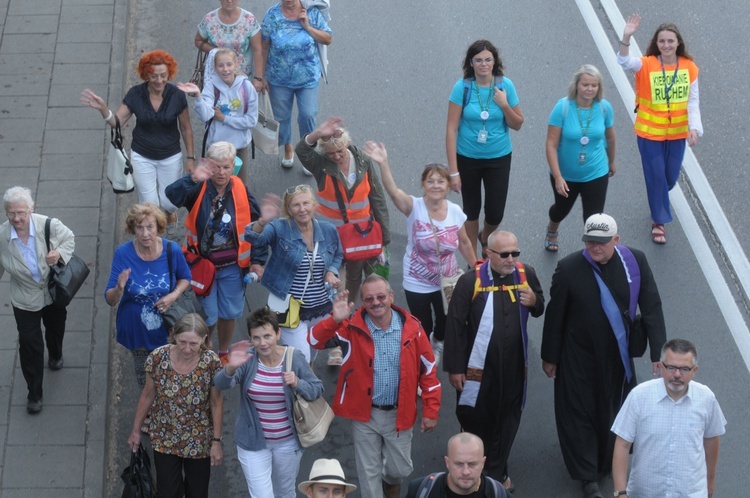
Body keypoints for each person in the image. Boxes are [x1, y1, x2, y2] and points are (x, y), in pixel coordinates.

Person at [541, 213, 667, 498]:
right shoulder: (569, 268)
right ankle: (587, 477)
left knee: (615, 410)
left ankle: (608, 460)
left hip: (617, 356)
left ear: (616, 240)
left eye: (601, 242)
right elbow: (555, 315)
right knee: (579, 412)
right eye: (590, 242)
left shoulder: (635, 261)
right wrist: (550, 356)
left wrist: (658, 351)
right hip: (578, 356)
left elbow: (651, 305)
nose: (595, 248)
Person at [309, 274, 442, 498]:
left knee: (398, 470)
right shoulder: (349, 327)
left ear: (391, 296)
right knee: (368, 474)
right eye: (369, 298)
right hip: (365, 416)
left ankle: (389, 481)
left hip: (400, 414)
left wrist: (431, 410)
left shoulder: (413, 329)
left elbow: (428, 371)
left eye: (381, 296)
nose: (375, 302)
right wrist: (334, 320)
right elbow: (314, 341)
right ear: (362, 301)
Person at [443, 230, 544, 492]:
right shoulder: (469, 282)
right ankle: (474, 466)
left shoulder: (526, 274)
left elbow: (540, 304)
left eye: (515, 253)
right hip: (478, 370)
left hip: (513, 367)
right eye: (505, 254)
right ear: (488, 254)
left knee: (508, 417)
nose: (511, 259)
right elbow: (454, 326)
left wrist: (534, 300)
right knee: (477, 416)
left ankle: (497, 470)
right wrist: (455, 368)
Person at [363, 143, 475, 366]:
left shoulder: (455, 212)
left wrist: (477, 267)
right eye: (430, 181)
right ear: (423, 184)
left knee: (445, 322)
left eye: (440, 181)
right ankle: (425, 358)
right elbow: (393, 191)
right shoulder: (413, 206)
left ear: (448, 186)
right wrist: (383, 164)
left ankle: (437, 342)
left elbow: (463, 242)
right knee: (424, 324)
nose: (435, 185)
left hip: (448, 280)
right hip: (418, 280)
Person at [297, 118, 391, 365]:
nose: (337, 156)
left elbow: (378, 199)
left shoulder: (364, 162)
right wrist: (317, 133)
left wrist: (384, 239)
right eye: (331, 153)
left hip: (362, 238)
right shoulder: (321, 164)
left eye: (340, 151)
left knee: (358, 283)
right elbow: (302, 150)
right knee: (335, 288)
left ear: (348, 145)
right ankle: (336, 344)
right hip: (332, 240)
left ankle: (358, 329)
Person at [166, 141, 265, 366]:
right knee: (207, 314)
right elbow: (171, 195)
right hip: (203, 268)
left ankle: (222, 351)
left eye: (226, 167)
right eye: (217, 167)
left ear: (233, 167)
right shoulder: (198, 187)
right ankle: (206, 346)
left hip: (233, 267)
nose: (221, 172)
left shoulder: (240, 188)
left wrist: (257, 261)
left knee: (229, 312)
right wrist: (192, 177)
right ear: (209, 166)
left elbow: (256, 227)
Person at [214, 307, 324, 498]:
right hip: (252, 443)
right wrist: (230, 367)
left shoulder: (293, 357)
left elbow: (317, 388)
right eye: (256, 338)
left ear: (278, 334)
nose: (262, 343)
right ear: (250, 337)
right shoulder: (247, 359)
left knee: (285, 492)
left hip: (288, 443)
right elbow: (221, 384)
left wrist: (298, 383)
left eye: (267, 336)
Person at [81, 50, 194, 233]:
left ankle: (170, 212)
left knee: (170, 202)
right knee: (150, 205)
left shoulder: (177, 96)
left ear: (169, 74)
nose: (159, 80)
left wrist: (191, 158)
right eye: (154, 76)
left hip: (170, 155)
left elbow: (186, 128)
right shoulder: (136, 94)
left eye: (163, 76)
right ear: (146, 75)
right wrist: (103, 109)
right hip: (142, 156)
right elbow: (116, 122)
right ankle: (155, 238)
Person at [618, 14, 702, 244]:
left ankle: (658, 197)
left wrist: (694, 128)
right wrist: (626, 37)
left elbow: (692, 101)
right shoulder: (646, 64)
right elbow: (624, 62)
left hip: (676, 134)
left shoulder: (689, 68)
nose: (666, 45)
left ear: (678, 43)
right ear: (656, 43)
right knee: (656, 175)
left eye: (670, 41)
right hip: (649, 133)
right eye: (662, 41)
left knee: (669, 178)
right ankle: (659, 221)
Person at [611, 339, 726, 498]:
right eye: (671, 367)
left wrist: (710, 481)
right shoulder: (639, 397)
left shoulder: (707, 399)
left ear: (695, 370)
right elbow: (622, 444)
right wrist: (620, 492)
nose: (677, 375)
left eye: (684, 369)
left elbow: (711, 440)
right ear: (660, 366)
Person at [127, 313, 223, 498]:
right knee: (168, 493)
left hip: (199, 439)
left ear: (204, 339)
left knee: (197, 492)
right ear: (173, 335)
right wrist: (136, 430)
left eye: (193, 344)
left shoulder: (211, 362)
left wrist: (216, 442)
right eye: (182, 342)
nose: (187, 349)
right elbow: (147, 396)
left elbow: (216, 402)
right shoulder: (158, 358)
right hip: (165, 436)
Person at [244, 184, 342, 363]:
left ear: (314, 204)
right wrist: (262, 221)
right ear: (288, 209)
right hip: (290, 310)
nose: (302, 209)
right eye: (296, 205)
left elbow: (338, 254)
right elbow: (254, 239)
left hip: (322, 307)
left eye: (306, 203)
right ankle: (304, 387)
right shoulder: (279, 228)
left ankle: (307, 386)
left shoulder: (328, 230)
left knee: (312, 351)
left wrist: (331, 271)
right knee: (301, 359)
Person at [445, 40, 524, 259]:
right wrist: (453, 172)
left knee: (495, 212)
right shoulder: (462, 87)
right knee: (471, 210)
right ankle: (474, 260)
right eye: (478, 60)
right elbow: (451, 130)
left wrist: (505, 105)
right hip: (467, 157)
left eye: (488, 59)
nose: (483, 64)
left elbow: (517, 124)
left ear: (494, 62)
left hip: (498, 157)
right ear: (471, 63)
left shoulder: (505, 86)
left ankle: (485, 236)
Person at [0, 186, 75, 414]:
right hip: (24, 298)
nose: (16, 218)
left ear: (31, 210)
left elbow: (69, 239)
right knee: (30, 345)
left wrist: (60, 254)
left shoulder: (48, 225)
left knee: (55, 328)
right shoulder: (2, 237)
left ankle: (56, 354)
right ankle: (34, 394)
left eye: (21, 212)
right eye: (11, 213)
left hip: (52, 292)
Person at [105, 202, 191, 392]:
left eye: (150, 227)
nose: (145, 234)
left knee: (170, 374)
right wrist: (119, 288)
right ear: (132, 228)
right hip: (137, 329)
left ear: (158, 227)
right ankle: (151, 413)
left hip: (167, 327)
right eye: (139, 227)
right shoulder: (123, 254)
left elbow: (185, 277)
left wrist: (173, 295)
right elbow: (110, 299)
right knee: (145, 377)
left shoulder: (171, 250)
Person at [544, 64, 616, 252]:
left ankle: (592, 254)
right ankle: (552, 227)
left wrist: (612, 161)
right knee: (561, 210)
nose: (590, 89)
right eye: (585, 84)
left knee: (593, 218)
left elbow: (610, 137)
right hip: (566, 174)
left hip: (596, 171)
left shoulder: (604, 108)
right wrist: (558, 177)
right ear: (576, 85)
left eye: (594, 85)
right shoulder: (563, 108)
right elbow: (551, 144)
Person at [261, 0, 332, 168]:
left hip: (307, 77)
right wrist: (260, 75)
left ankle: (308, 152)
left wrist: (308, 27)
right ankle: (288, 148)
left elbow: (328, 38)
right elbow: (263, 46)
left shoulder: (311, 13)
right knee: (282, 117)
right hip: (279, 79)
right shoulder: (272, 15)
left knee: (307, 114)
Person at [178, 48, 258, 184]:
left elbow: (251, 121)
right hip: (215, 149)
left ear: (236, 64)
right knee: (214, 189)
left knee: (238, 187)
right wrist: (198, 96)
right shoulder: (211, 86)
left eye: (229, 64)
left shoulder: (247, 87)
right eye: (220, 66)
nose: (225, 69)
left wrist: (224, 118)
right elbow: (205, 115)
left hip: (238, 147)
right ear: (214, 68)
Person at [406, 432, 512, 498]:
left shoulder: (498, 494)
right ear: (447, 462)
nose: (465, 471)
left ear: (483, 463)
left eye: (472, 464)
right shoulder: (419, 490)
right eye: (459, 464)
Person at [195, 0, 265, 88]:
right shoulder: (209, 19)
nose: (229, 0)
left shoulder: (249, 19)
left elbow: (257, 49)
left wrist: (258, 78)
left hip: (243, 79)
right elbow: (198, 40)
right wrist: (215, 50)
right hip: (217, 78)